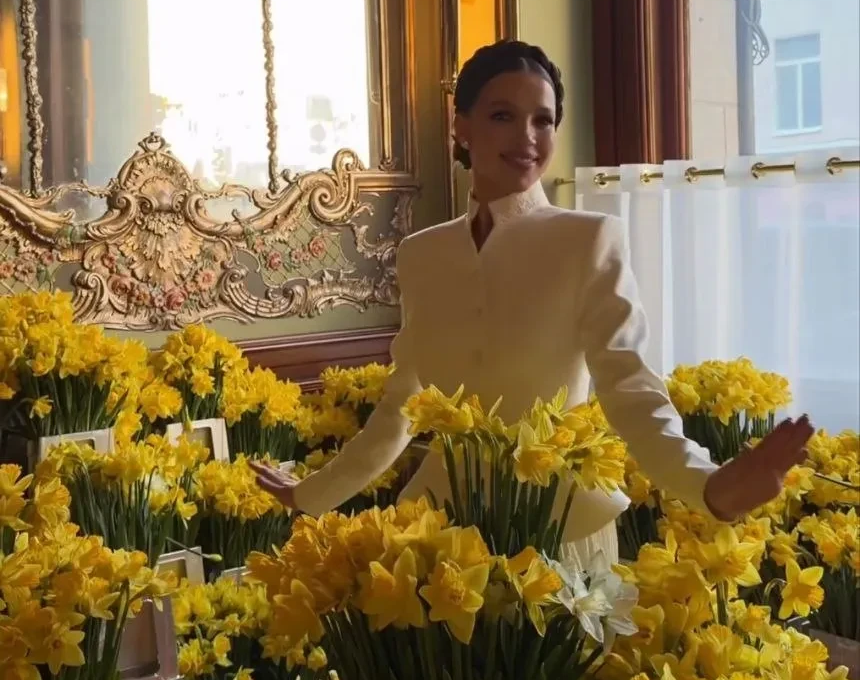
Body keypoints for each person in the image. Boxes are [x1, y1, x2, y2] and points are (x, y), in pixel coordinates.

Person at [254, 40, 811, 565]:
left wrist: (711, 487)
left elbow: (631, 390)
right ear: (461, 126)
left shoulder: (587, 239)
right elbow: (403, 405)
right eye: (503, 115)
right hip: (444, 532)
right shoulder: (421, 254)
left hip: (563, 528)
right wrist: (311, 494)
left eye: (543, 120)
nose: (527, 136)